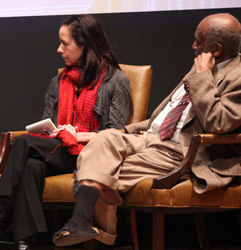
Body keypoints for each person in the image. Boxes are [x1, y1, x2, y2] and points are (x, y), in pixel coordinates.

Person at [52, 13, 241, 247]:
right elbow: (164, 114)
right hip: (149, 136)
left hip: (179, 150)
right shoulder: (203, 65)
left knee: (99, 171)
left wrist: (202, 76)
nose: (193, 45)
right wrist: (125, 131)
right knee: (104, 139)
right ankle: (85, 224)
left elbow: (220, 122)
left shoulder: (234, 75)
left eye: (198, 41)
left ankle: (97, 231)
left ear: (216, 49)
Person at [0, 15, 131, 249]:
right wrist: (57, 131)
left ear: (85, 45)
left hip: (93, 158)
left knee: (26, 144)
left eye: (65, 43)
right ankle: (24, 241)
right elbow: (49, 126)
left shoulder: (115, 81)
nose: (59, 49)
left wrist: (77, 135)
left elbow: (117, 134)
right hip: (61, 150)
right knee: (31, 166)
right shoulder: (59, 82)